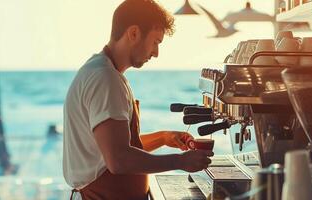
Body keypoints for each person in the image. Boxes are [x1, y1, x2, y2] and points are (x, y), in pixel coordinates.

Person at [62, 0, 213, 199]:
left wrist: (163, 137)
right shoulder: (105, 79)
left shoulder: (103, 72)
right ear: (133, 33)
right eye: (155, 42)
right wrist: (180, 162)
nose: (156, 53)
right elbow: (119, 159)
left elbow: (115, 147)